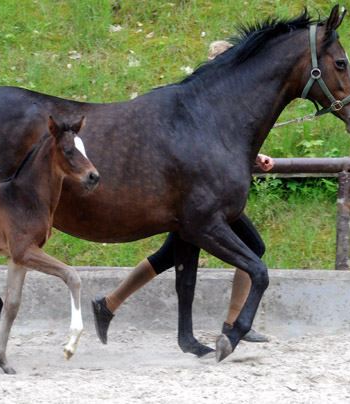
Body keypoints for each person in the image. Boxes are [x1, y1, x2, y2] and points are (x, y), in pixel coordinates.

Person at [92, 40, 274, 346]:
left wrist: (255, 158)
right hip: (203, 198)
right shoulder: (208, 106)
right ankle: (233, 323)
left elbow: (221, 151)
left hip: (198, 197)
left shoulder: (217, 107)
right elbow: (208, 154)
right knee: (252, 247)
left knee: (167, 256)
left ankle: (108, 304)